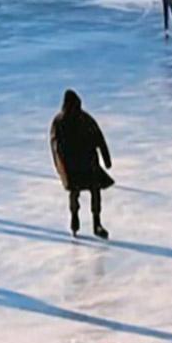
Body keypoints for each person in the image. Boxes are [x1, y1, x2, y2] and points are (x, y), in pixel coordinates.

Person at [49, 89, 112, 239]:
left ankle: (90, 222)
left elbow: (98, 137)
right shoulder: (64, 121)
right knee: (81, 193)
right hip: (76, 166)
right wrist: (60, 167)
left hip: (85, 164)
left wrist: (106, 158)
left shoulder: (81, 119)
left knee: (88, 192)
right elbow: (56, 146)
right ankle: (79, 220)